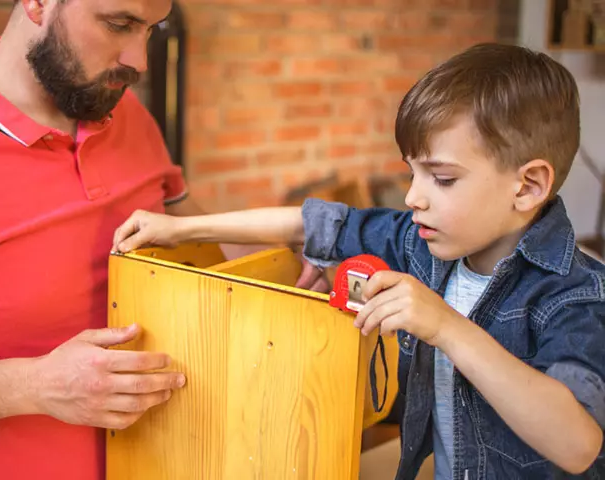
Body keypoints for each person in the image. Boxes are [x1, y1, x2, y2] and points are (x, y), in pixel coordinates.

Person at [113, 43, 605, 478]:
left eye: (443, 179)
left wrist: (446, 327)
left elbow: (577, 445)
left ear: (528, 186)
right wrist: (181, 228)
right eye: (412, 174)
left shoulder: (574, 294)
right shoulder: (421, 244)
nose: (414, 197)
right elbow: (309, 224)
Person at [0, 0, 328, 479]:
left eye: (152, 31)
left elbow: (186, 226)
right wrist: (35, 386)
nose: (139, 60)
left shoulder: (124, 111)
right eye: (120, 24)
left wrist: (281, 265)